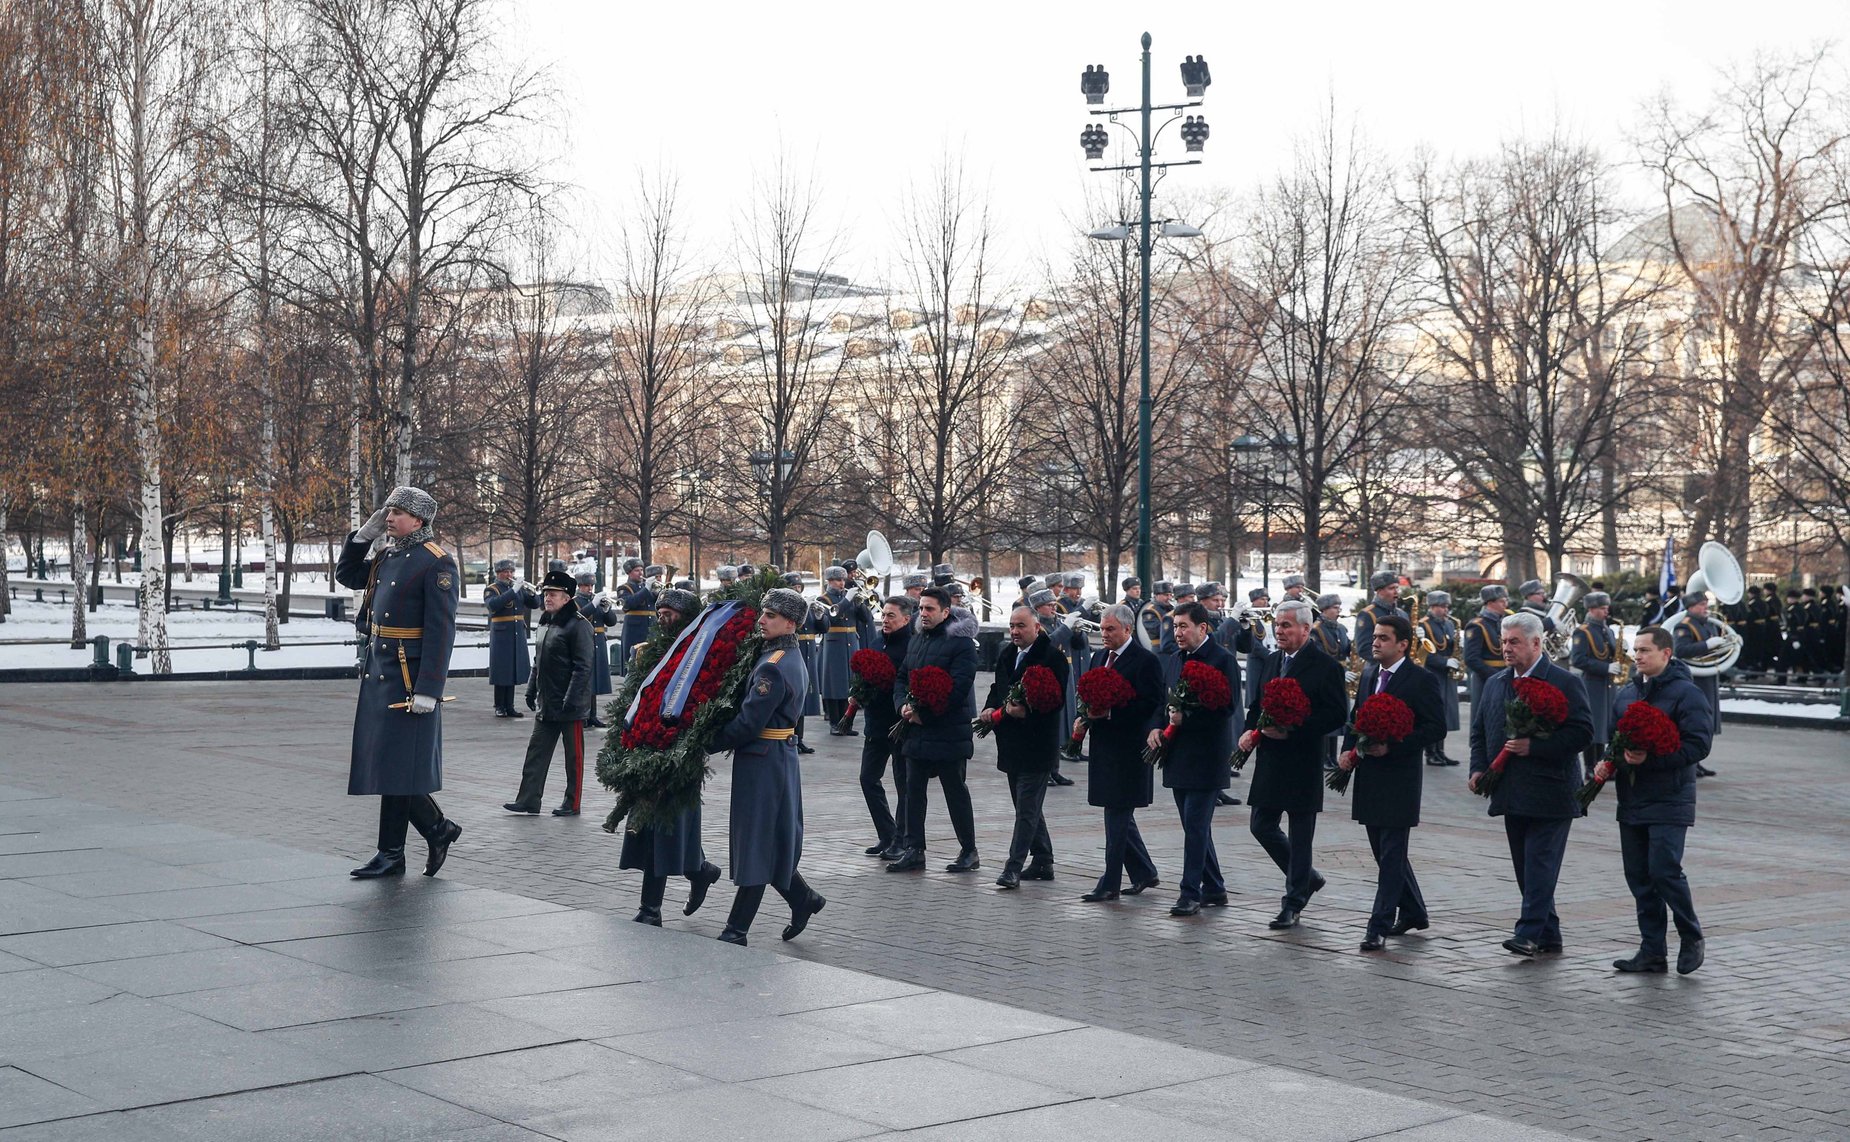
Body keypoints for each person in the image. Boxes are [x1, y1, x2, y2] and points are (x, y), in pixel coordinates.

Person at [336, 486, 462, 879]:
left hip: (409, 677)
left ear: (420, 520)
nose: (389, 518)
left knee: (398, 766)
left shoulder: (436, 562)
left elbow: (441, 631)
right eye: (389, 511)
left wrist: (429, 689)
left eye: (398, 512)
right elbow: (348, 576)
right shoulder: (388, 553)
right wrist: (361, 539)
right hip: (380, 671)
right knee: (390, 765)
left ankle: (396, 851)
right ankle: (431, 833)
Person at [1468, 611, 1594, 957]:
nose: (1506, 649)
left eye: (1514, 642)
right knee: (1526, 867)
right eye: (1503, 642)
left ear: (1537, 643)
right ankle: (1549, 933)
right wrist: (1478, 768)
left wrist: (1535, 747)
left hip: (1552, 791)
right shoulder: (1496, 683)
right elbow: (1480, 730)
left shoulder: (1564, 682)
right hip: (1510, 790)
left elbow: (1583, 732)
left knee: (1539, 863)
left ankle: (1527, 934)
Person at [708, 587, 825, 946]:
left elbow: (748, 723)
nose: (761, 621)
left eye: (770, 616)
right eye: (763, 614)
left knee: (757, 840)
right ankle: (803, 899)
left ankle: (736, 929)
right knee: (769, 838)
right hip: (772, 758)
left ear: (790, 623)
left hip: (764, 761)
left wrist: (704, 742)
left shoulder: (773, 668)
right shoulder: (780, 655)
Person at [1603, 626, 1713, 974]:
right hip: (1633, 796)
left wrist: (1652, 760)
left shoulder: (1687, 694)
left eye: (1645, 650)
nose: (1637, 656)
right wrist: (1609, 761)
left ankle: (1691, 936)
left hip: (1670, 797)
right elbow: (1614, 737)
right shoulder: (1627, 693)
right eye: (1635, 650)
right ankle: (1652, 950)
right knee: (1638, 875)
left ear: (1666, 654)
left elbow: (1698, 745)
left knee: (1664, 870)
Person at [1339, 614, 1447, 950]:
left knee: (1391, 854)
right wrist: (1347, 752)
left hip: (1400, 776)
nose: (1375, 643)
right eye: (1375, 637)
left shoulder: (1420, 680)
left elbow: (1435, 728)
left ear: (1403, 644)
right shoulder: (1371, 673)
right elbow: (1357, 717)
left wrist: (1395, 744)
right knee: (1383, 852)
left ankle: (1378, 925)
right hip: (1371, 774)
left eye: (1384, 638)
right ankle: (1413, 910)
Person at [619, 589, 723, 926]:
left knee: (665, 828)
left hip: (679, 755)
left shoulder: (702, 654)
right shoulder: (649, 652)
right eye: (659, 612)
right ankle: (700, 870)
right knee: (655, 830)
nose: (662, 619)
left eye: (671, 614)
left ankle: (651, 909)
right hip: (648, 751)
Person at [1241, 598, 1347, 929]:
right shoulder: (1273, 661)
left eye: (1287, 625)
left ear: (1306, 627)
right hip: (1271, 758)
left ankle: (1294, 900)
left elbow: (1336, 714)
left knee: (1301, 835)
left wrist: (1294, 728)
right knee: (1261, 826)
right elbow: (1258, 703)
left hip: (1302, 759)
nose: (1280, 629)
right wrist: (1248, 731)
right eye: (1277, 624)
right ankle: (1307, 877)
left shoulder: (1325, 666)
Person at [1150, 602, 1242, 917]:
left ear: (1203, 628)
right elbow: (1163, 701)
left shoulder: (1222, 659)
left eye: (1184, 626)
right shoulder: (1175, 660)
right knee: (1193, 826)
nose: (1177, 632)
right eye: (1175, 626)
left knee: (1196, 827)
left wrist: (1185, 719)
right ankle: (1214, 887)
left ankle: (1190, 893)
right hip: (1177, 755)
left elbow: (1227, 709)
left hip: (1207, 756)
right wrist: (1155, 728)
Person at [886, 587, 980, 873]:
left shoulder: (962, 644)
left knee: (955, 791)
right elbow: (903, 677)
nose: (923, 614)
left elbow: (959, 687)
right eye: (921, 609)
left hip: (948, 730)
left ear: (945, 612)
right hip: (916, 730)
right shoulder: (917, 640)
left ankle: (969, 850)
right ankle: (914, 849)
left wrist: (924, 713)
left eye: (929, 609)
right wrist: (903, 705)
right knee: (913, 791)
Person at [1080, 604, 1164, 902]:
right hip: (1104, 747)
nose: (1104, 634)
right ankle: (1143, 871)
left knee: (1116, 816)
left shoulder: (1145, 661)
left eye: (1110, 629)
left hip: (1129, 749)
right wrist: (1086, 714)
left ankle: (1110, 882)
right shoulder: (1099, 656)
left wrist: (1112, 711)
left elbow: (1151, 704)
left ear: (1128, 629)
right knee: (1117, 814)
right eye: (1102, 629)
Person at [985, 606, 1069, 888]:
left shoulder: (1052, 657)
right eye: (1011, 626)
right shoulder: (1008, 653)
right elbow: (998, 688)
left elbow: (1056, 702)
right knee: (1026, 807)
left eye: (1021, 626)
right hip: (1010, 744)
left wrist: (1028, 712)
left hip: (1037, 745)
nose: (1015, 631)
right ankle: (1043, 860)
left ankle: (1013, 867)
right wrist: (989, 707)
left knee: (1026, 810)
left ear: (1037, 627)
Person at [505, 568, 594, 818]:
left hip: (569, 705)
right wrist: (531, 690)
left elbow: (583, 667)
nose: (547, 598)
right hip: (547, 702)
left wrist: (571, 699)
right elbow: (538, 662)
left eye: (553, 594)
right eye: (546, 593)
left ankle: (572, 803)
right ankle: (528, 800)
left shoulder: (578, 625)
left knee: (573, 758)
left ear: (567, 598)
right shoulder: (545, 624)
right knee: (536, 753)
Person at [860, 596, 916, 859]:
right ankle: (887, 833)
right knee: (868, 778)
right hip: (875, 723)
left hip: (899, 724)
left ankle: (902, 840)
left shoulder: (911, 646)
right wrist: (857, 691)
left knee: (903, 783)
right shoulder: (876, 641)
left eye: (891, 615)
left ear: (906, 619)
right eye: (884, 614)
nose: (885, 619)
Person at [1570, 591, 1621, 786]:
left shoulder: (1607, 630)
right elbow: (1578, 659)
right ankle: (1590, 768)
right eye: (1602, 608)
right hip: (1592, 684)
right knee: (1593, 727)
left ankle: (1602, 766)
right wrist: (1605, 667)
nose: (1606, 611)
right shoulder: (1582, 632)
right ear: (1591, 609)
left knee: (1605, 726)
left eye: (1606, 607)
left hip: (1607, 685)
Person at [1671, 591, 1725, 774]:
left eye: (1706, 604)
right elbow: (1681, 650)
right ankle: (1690, 763)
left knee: (1705, 722)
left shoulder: (1706, 625)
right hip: (1695, 680)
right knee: (1695, 722)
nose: (1706, 608)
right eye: (1702, 605)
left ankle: (1697, 762)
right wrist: (1707, 645)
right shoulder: (1684, 626)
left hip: (1708, 677)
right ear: (1691, 607)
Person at [820, 566, 872, 734]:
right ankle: (835, 723)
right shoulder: (824, 599)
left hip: (852, 642)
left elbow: (865, 619)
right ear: (829, 581)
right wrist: (848, 600)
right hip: (834, 644)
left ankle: (846, 723)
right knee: (835, 684)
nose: (841, 583)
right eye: (837, 580)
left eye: (843, 580)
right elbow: (832, 617)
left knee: (850, 684)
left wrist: (860, 603)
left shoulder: (848, 597)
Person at [483, 559, 537, 718]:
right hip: (501, 634)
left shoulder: (518, 588)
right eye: (506, 572)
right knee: (501, 670)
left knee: (512, 669)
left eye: (511, 572)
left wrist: (532, 593)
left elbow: (535, 604)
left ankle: (510, 706)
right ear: (498, 573)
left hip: (516, 632)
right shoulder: (492, 589)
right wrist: (513, 591)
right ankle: (499, 705)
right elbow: (493, 605)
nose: (509, 575)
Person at [1417, 590, 1462, 766]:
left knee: (1444, 714)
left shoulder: (1449, 624)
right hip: (1431, 674)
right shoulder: (1423, 626)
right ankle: (1430, 753)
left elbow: (1451, 646)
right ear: (1432, 607)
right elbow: (1423, 654)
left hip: (1446, 675)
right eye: (1441, 607)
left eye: (1446, 606)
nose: (1445, 610)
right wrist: (1445, 662)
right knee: (1433, 713)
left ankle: (1441, 751)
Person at [573, 573, 618, 728]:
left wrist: (606, 610)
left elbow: (611, 622)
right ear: (579, 586)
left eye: (591, 586)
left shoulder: (597, 602)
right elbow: (576, 617)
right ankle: (583, 715)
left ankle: (592, 715)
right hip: (584, 642)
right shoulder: (575, 602)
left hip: (598, 641)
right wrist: (593, 604)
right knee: (586, 680)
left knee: (595, 680)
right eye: (586, 586)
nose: (589, 589)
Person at [1463, 585, 1510, 708]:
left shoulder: (1503, 623)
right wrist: (1495, 675)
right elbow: (1471, 659)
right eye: (1501, 601)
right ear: (1490, 603)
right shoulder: (1477, 626)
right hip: (1485, 679)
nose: (1506, 604)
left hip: (1505, 675)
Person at [614, 559, 658, 674]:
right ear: (629, 573)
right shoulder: (624, 588)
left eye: (641, 570)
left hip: (651, 628)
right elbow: (628, 603)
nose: (640, 573)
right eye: (636, 570)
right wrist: (646, 589)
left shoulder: (649, 587)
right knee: (634, 661)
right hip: (634, 630)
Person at [1353, 571, 1406, 663]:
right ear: (1380, 591)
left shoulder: (1402, 614)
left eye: (1397, 587)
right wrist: (1392, 661)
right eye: (1391, 588)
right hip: (1378, 670)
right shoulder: (1368, 614)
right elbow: (1364, 649)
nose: (1396, 591)